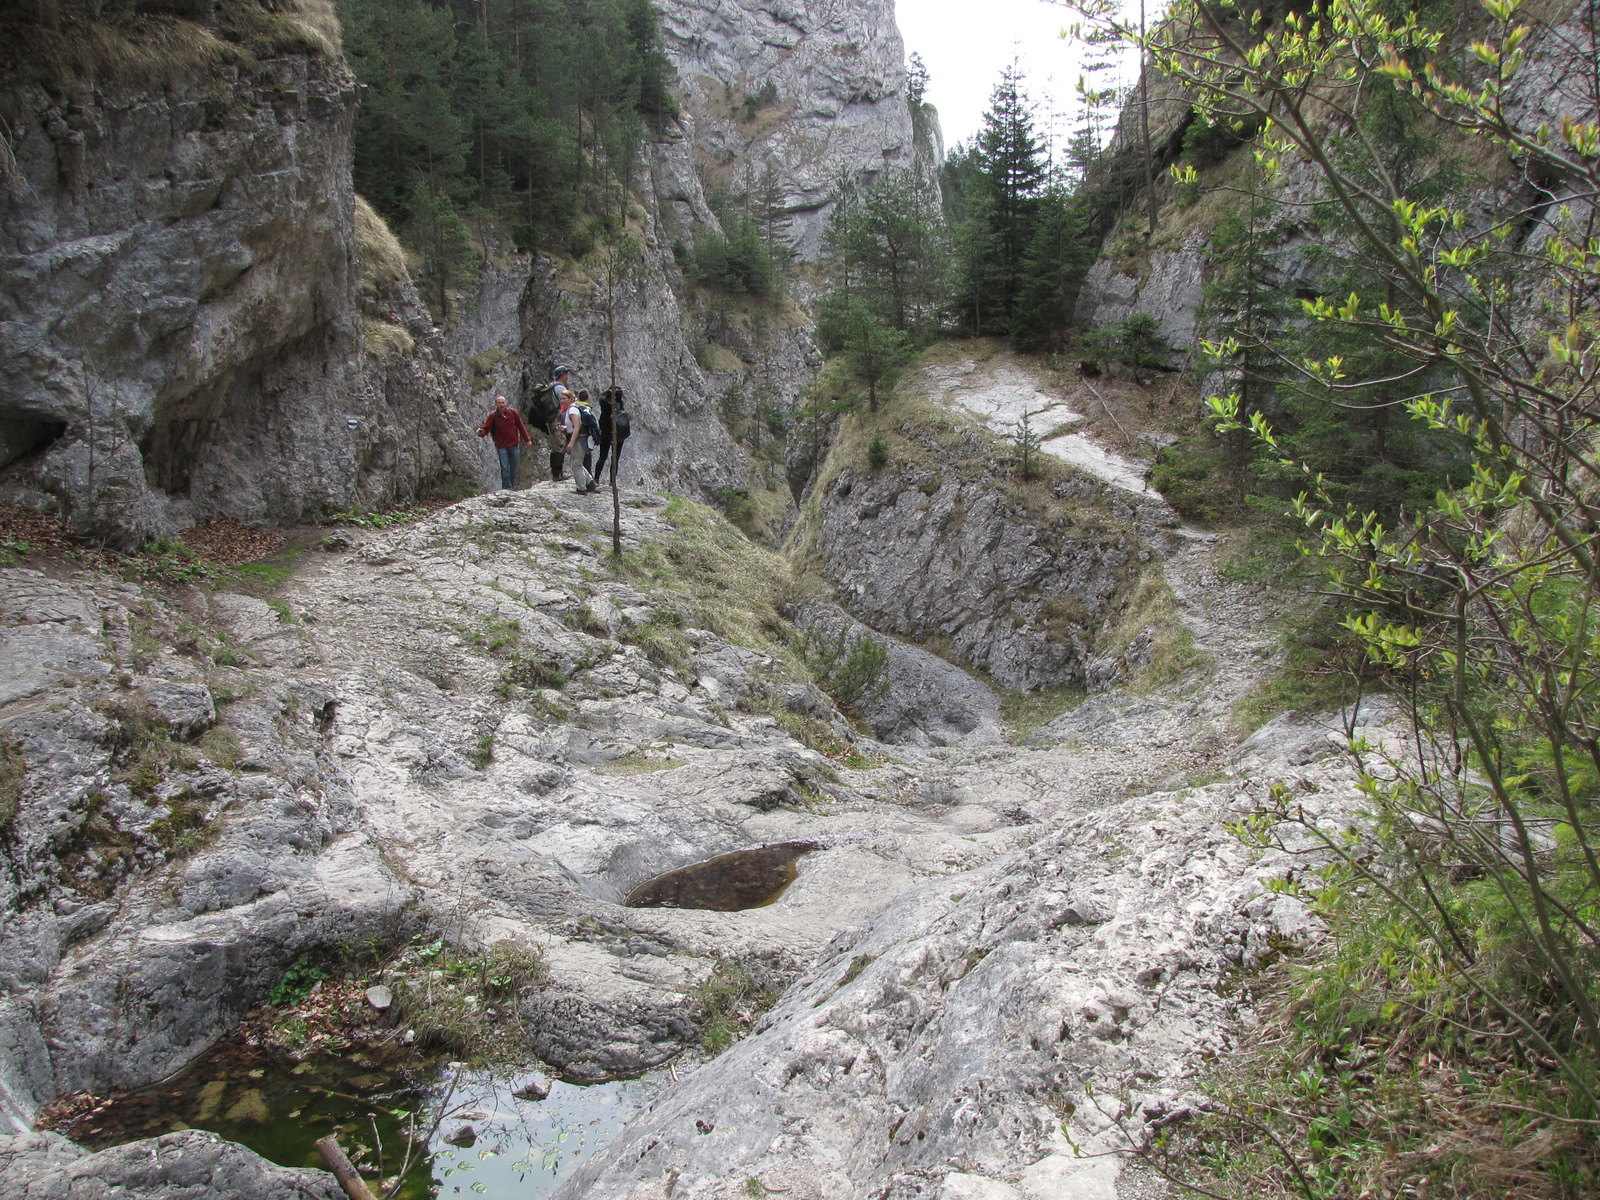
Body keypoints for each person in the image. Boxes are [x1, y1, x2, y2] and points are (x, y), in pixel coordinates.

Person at [476, 394, 533, 490]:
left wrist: (527, 440)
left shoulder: (513, 413)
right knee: (505, 468)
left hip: (514, 445)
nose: (501, 405)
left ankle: (511, 487)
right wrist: (480, 432)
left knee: (513, 468)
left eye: (503, 402)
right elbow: (486, 428)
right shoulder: (493, 416)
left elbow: (521, 426)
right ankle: (506, 488)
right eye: (499, 403)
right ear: (496, 404)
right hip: (502, 446)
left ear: (506, 403)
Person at [594, 386, 631, 484]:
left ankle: (606, 480)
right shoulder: (609, 403)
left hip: (614, 433)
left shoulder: (612, 402)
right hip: (610, 433)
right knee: (607, 457)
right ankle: (600, 479)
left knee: (610, 458)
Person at [566, 390, 600, 494]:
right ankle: (590, 482)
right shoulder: (584, 407)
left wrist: (571, 442)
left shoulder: (573, 409)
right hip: (586, 438)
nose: (562, 401)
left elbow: (577, 427)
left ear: (572, 398)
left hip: (579, 439)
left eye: (564, 398)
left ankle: (582, 488)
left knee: (576, 465)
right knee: (578, 463)